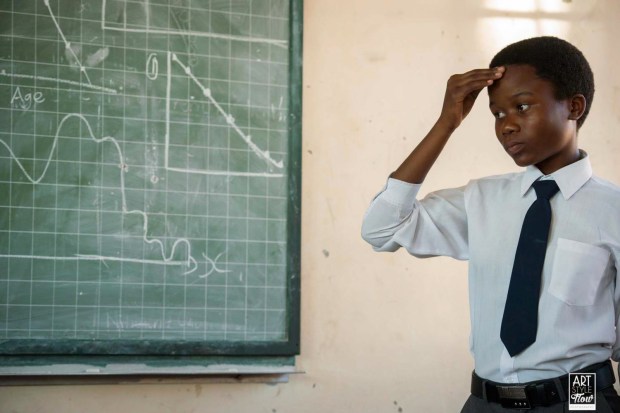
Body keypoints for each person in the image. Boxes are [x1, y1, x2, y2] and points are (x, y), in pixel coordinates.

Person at [361, 36, 620, 412]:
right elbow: (381, 229)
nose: (507, 126)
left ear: (573, 106)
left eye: (522, 107)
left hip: (581, 395)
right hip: (486, 401)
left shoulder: (612, 210)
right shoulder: (480, 200)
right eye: (497, 114)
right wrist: (446, 124)